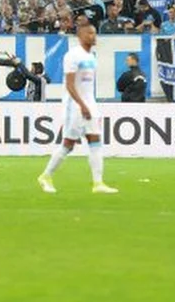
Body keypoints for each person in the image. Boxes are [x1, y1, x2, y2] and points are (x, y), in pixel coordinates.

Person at [38, 17, 117, 194]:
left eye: (94, 33)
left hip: (89, 104)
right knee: (68, 144)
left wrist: (90, 105)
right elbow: (70, 85)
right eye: (90, 33)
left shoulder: (91, 57)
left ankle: (98, 183)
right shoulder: (73, 56)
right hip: (74, 106)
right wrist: (82, 105)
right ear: (81, 35)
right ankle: (45, 175)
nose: (93, 36)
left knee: (95, 140)